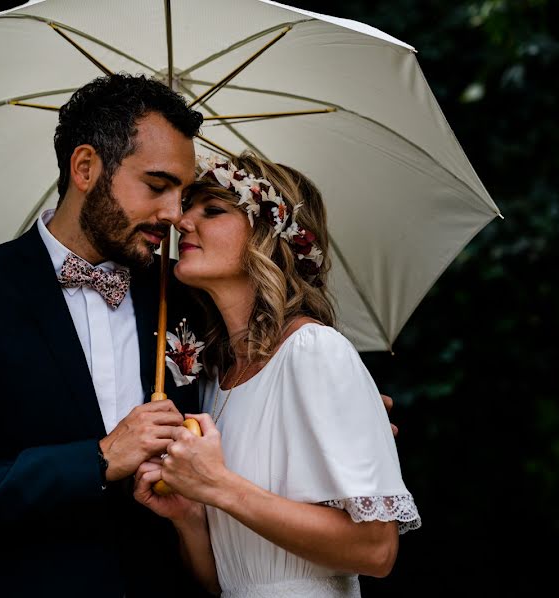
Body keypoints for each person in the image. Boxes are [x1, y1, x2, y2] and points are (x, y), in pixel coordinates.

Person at [0, 73, 212, 597]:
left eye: (183, 193)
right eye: (157, 187)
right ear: (85, 167)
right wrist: (99, 459)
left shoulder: (184, 296)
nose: (175, 215)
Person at [133, 152, 422, 597]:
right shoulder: (213, 380)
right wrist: (190, 515)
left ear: (268, 236)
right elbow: (224, 584)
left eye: (211, 210)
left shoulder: (314, 351)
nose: (180, 221)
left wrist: (218, 485)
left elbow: (375, 550)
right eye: (186, 208)